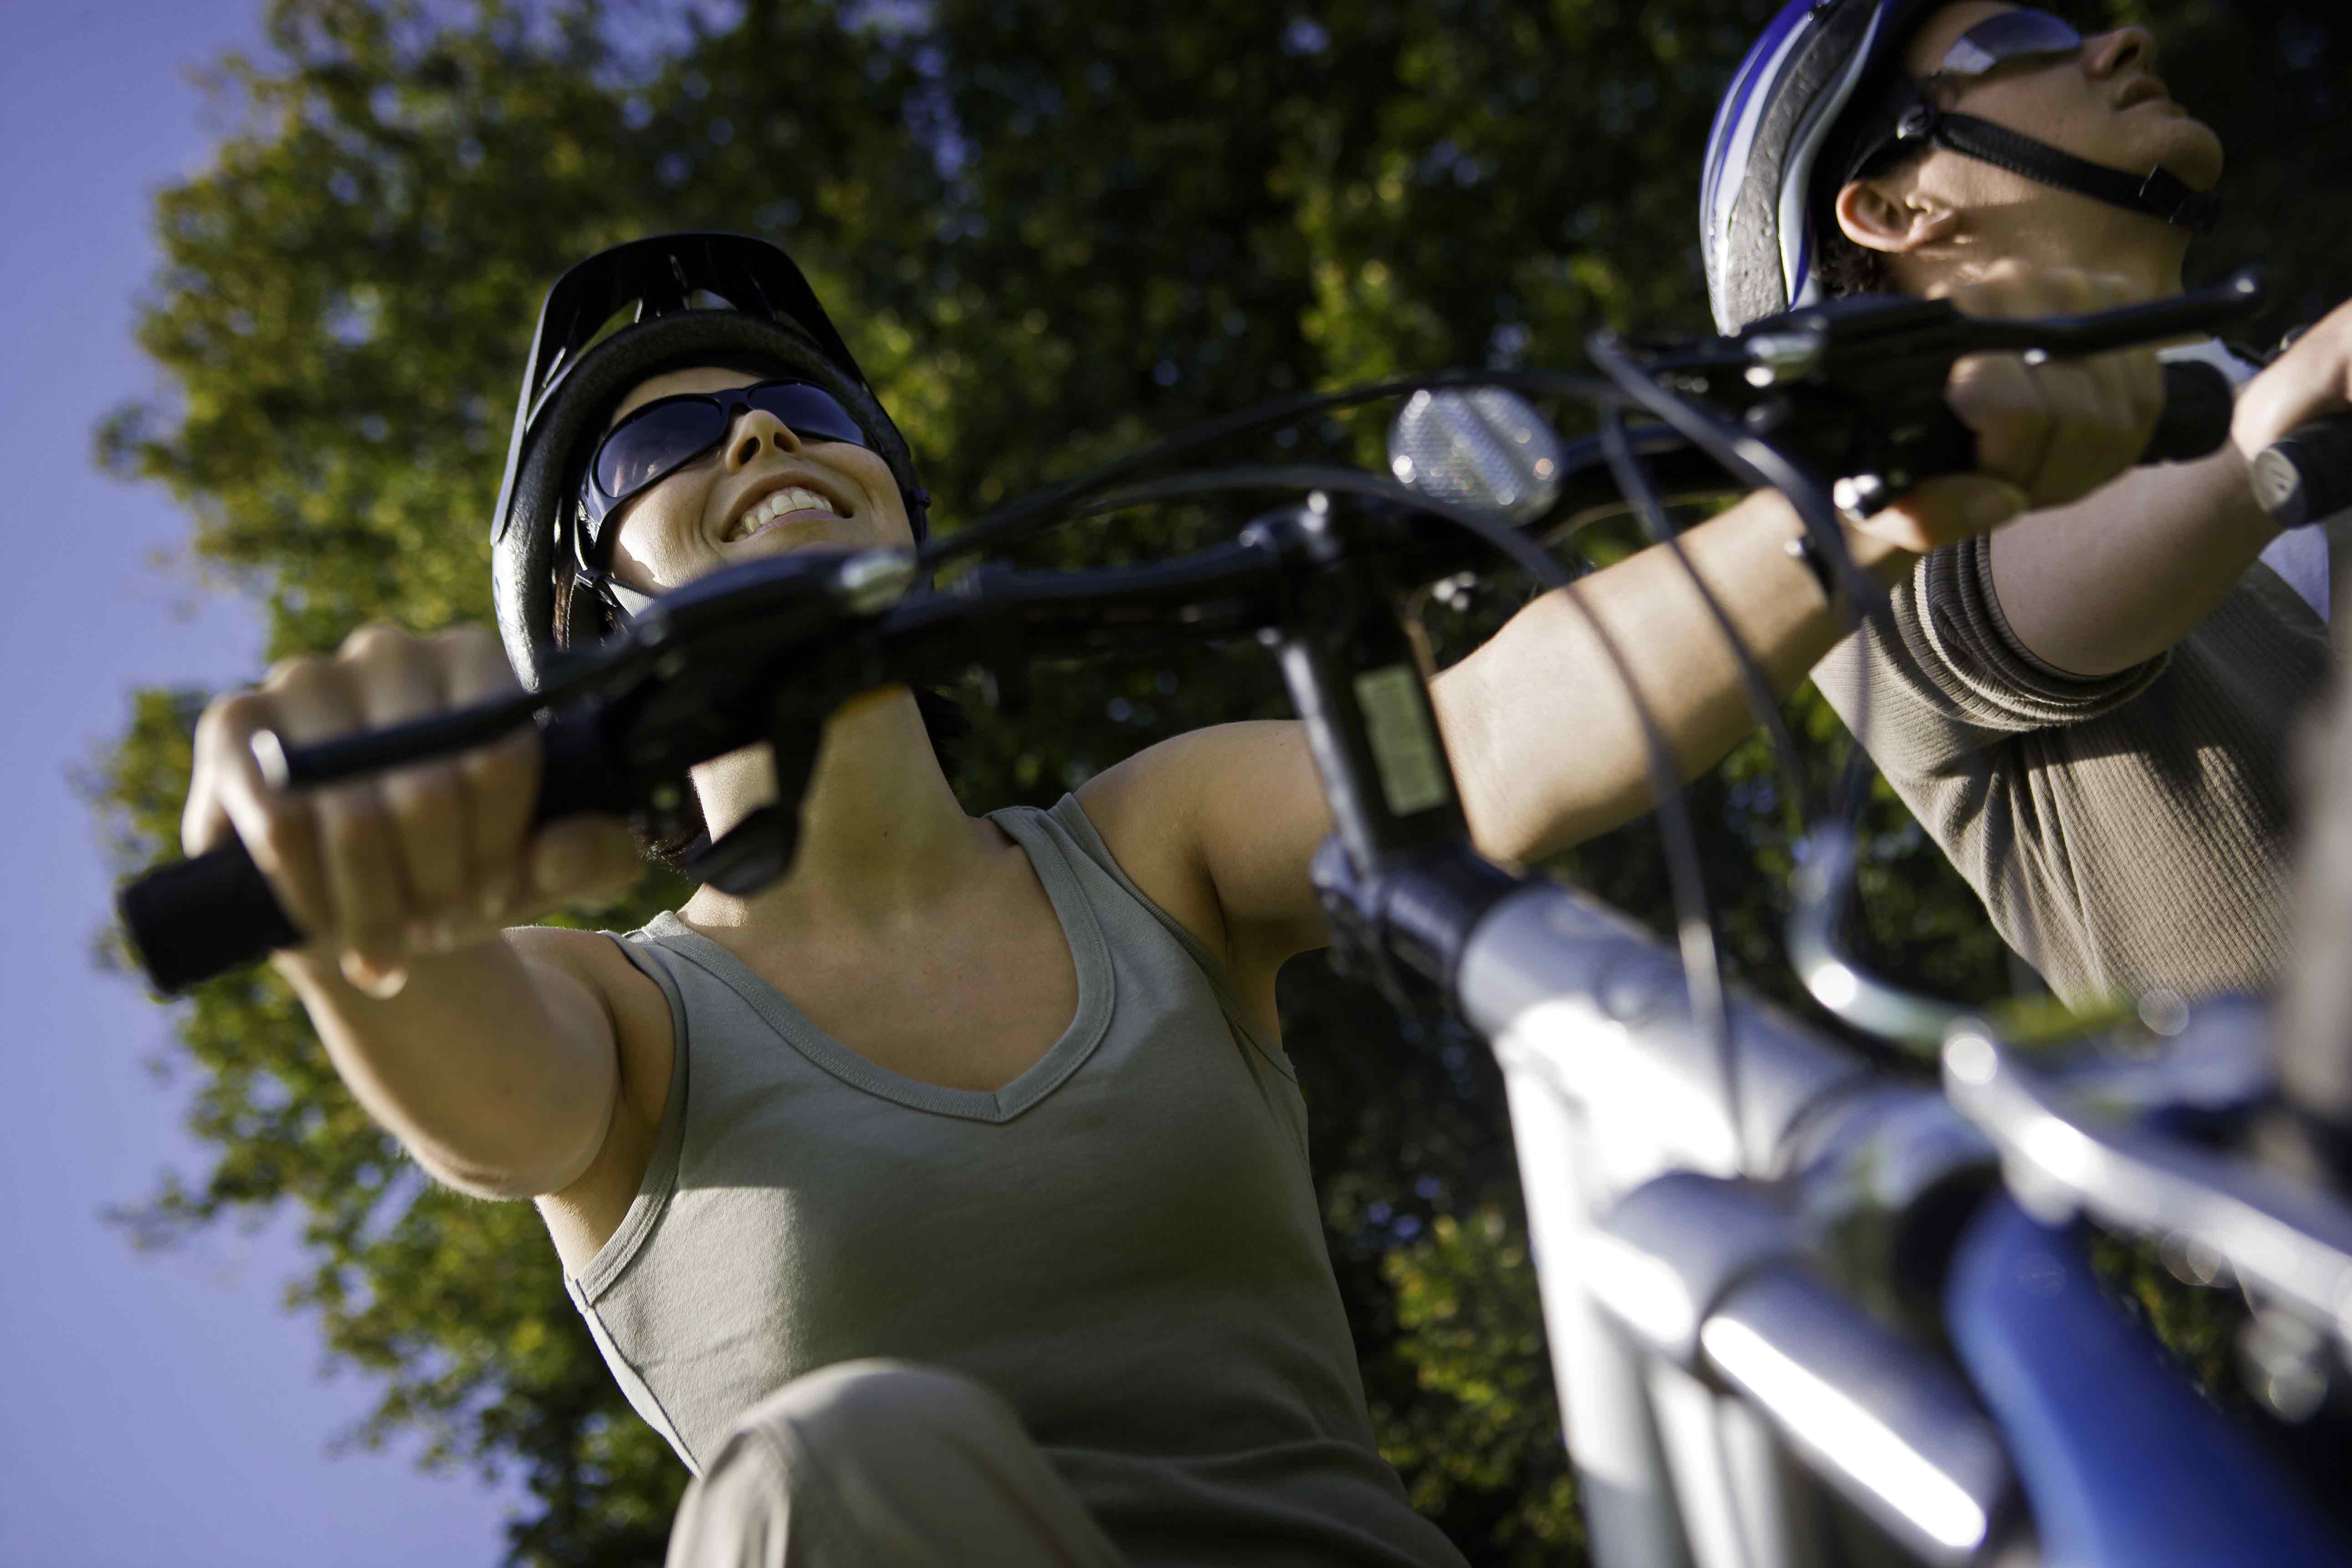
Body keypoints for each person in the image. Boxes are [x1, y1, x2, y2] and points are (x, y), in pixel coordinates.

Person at [180, 231, 2159, 1565]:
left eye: (805, 410)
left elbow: (1477, 744)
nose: (767, 431)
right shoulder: (624, 1019)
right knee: (839, 1462)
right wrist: (347, 877)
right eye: (667, 435)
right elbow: (458, 1051)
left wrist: (1876, 501)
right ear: (585, 608)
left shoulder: (1146, 841)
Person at [1704, 0, 2352, 1009]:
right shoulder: (1859, 529)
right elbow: (2007, 603)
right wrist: (2305, 389)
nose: (2121, 41)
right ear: (1890, 209)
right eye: (2014, 42)